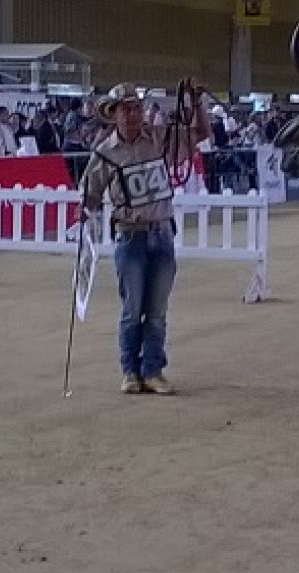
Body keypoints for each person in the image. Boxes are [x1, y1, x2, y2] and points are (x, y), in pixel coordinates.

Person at [78, 80, 210, 394]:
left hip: (161, 233)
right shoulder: (105, 153)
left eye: (137, 108)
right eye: (127, 109)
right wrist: (84, 217)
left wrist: (197, 102)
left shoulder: (159, 140)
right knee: (131, 309)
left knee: (157, 311)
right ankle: (130, 371)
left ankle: (153, 370)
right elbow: (89, 195)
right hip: (129, 236)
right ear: (114, 114)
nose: (134, 114)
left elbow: (199, 134)